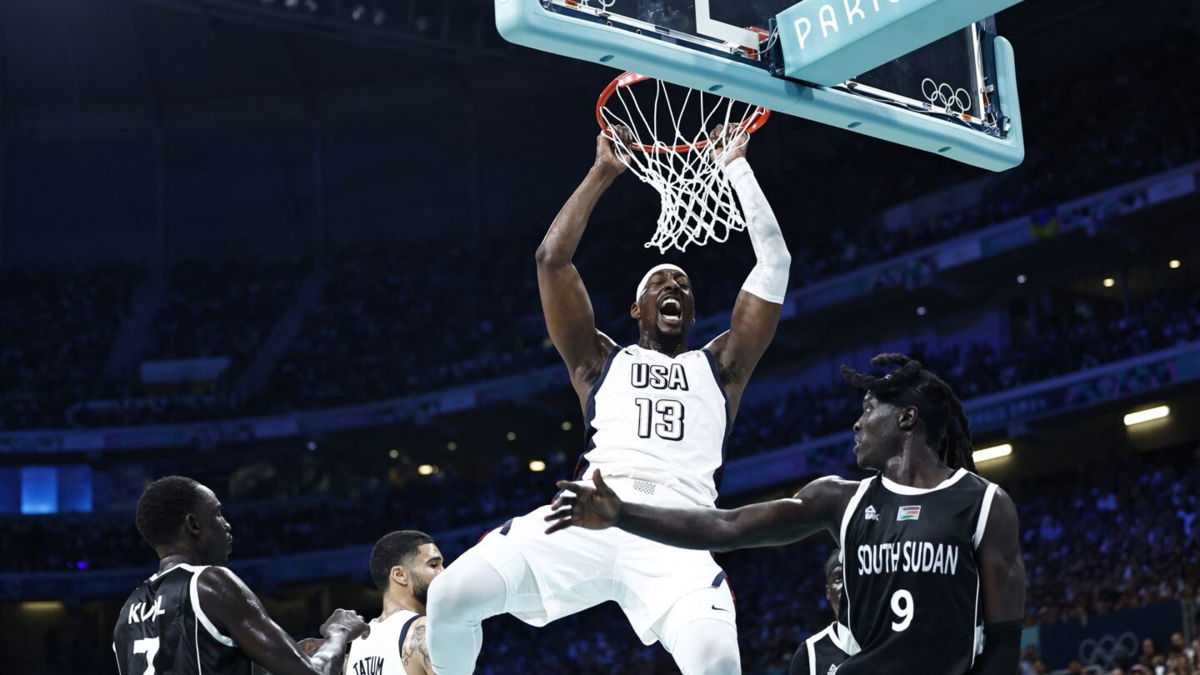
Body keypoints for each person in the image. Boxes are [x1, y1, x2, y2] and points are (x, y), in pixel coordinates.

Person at [426, 124, 791, 675]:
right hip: (585, 511)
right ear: (636, 310)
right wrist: (603, 172)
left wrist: (736, 164)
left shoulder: (722, 367)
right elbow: (552, 260)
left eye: (685, 285)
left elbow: (774, 265)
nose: (675, 286)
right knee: (450, 597)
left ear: (691, 314)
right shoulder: (599, 360)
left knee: (718, 665)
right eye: (661, 282)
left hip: (677, 532)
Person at [547, 353, 1026, 675]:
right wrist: (621, 514)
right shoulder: (839, 500)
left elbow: (1004, 640)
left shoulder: (985, 504)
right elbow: (727, 527)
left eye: (867, 408)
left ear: (906, 417)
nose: (857, 423)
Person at [113, 476, 367, 675]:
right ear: (193, 525)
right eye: (217, 513)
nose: (226, 524)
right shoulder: (209, 582)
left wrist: (281, 657)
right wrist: (339, 632)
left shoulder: (127, 611)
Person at [343, 531, 445, 675]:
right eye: (434, 565)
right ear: (400, 575)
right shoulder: (425, 630)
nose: (443, 573)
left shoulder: (357, 643)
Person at [790, 549, 849, 675]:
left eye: (852, 578)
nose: (847, 586)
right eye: (839, 578)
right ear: (828, 592)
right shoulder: (809, 654)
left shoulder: (888, 642)